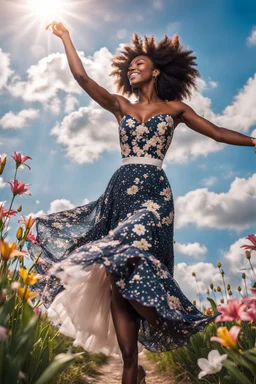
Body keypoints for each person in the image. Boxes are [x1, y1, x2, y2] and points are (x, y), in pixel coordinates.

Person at [27, 21, 256, 384]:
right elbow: (83, 79)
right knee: (126, 333)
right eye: (129, 66)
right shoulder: (120, 106)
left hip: (155, 196)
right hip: (121, 190)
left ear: (156, 71)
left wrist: (254, 142)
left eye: (139, 64)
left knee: (133, 248)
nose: (132, 69)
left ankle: (172, 317)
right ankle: (135, 370)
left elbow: (215, 132)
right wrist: (67, 37)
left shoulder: (175, 109)